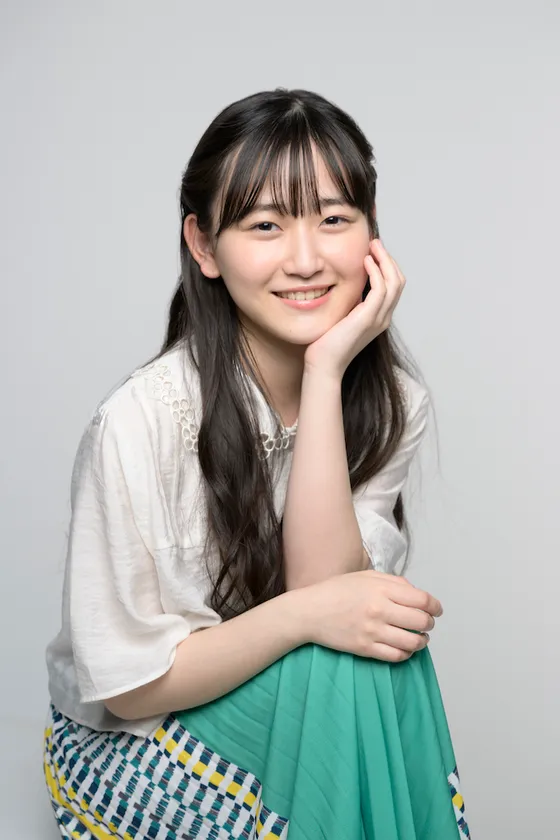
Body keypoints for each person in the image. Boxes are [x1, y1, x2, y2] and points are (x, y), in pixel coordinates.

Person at [43, 88, 471, 839]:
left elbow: (327, 589)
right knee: (352, 646)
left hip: (304, 704)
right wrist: (307, 616)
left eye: (333, 220)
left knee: (364, 649)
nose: (305, 260)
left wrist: (326, 371)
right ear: (204, 246)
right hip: (132, 746)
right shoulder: (141, 421)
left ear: (372, 232)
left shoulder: (392, 403)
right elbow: (131, 690)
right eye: (266, 225)